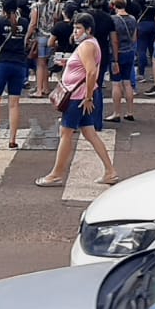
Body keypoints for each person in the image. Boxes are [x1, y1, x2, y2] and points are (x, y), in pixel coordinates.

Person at [35, 13, 118, 187]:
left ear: (88, 29)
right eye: (74, 28)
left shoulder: (87, 45)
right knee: (90, 133)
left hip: (78, 97)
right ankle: (110, 171)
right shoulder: (89, 44)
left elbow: (91, 72)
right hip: (81, 95)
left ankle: (56, 174)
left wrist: (87, 97)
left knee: (66, 133)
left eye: (79, 28)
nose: (75, 31)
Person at [0, 0, 31, 150]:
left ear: (2, 8)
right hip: (19, 64)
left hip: (1, 63)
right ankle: (13, 139)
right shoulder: (23, 22)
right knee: (14, 103)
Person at [109, 0, 139, 122]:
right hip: (129, 51)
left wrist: (114, 60)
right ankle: (130, 111)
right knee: (127, 82)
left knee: (116, 83)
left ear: (114, 5)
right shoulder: (132, 18)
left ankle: (116, 112)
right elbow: (134, 38)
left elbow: (114, 40)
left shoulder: (113, 20)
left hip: (118, 52)